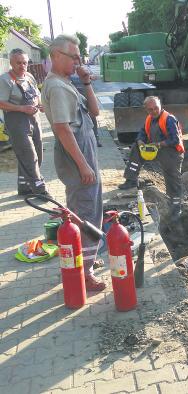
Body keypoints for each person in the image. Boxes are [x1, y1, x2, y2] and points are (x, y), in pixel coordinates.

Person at [41, 34, 105, 291]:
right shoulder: (56, 87)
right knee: (86, 212)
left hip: (85, 155)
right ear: (56, 56)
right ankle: (85, 272)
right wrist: (83, 166)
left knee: (87, 209)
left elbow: (96, 111)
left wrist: (86, 81)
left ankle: (86, 259)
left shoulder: (66, 82)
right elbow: (62, 129)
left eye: (79, 57)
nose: (78, 62)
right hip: (78, 160)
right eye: (73, 57)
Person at [117, 96, 185, 217]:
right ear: (146, 110)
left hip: (172, 153)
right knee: (136, 148)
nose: (154, 111)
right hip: (157, 149)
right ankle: (131, 179)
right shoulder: (149, 119)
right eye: (150, 109)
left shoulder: (169, 119)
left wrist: (159, 144)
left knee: (172, 179)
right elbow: (142, 133)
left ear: (160, 106)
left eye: (156, 108)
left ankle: (176, 207)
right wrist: (140, 142)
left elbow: (175, 140)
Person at [0, 48, 50, 197]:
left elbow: (37, 94)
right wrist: (21, 108)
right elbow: (1, 103)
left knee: (38, 154)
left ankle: (24, 187)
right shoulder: (4, 80)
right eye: (18, 63)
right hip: (17, 123)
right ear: (11, 63)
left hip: (34, 120)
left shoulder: (29, 76)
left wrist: (40, 104)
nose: (22, 66)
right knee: (29, 156)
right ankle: (40, 189)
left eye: (25, 63)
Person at [70, 72, 101, 147]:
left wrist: (90, 77)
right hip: (74, 97)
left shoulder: (84, 69)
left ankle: (96, 139)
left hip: (85, 95)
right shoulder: (67, 72)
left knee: (92, 117)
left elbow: (94, 76)